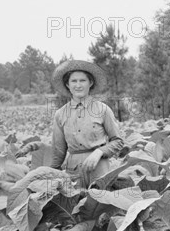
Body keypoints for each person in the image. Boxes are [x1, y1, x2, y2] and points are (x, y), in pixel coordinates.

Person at [50, 60, 124, 188]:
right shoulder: (60, 114)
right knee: (75, 205)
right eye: (74, 81)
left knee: (100, 205)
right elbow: (58, 153)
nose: (78, 85)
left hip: (100, 168)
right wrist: (48, 176)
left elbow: (118, 141)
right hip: (73, 173)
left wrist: (99, 152)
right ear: (67, 84)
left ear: (90, 83)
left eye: (82, 80)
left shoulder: (103, 109)